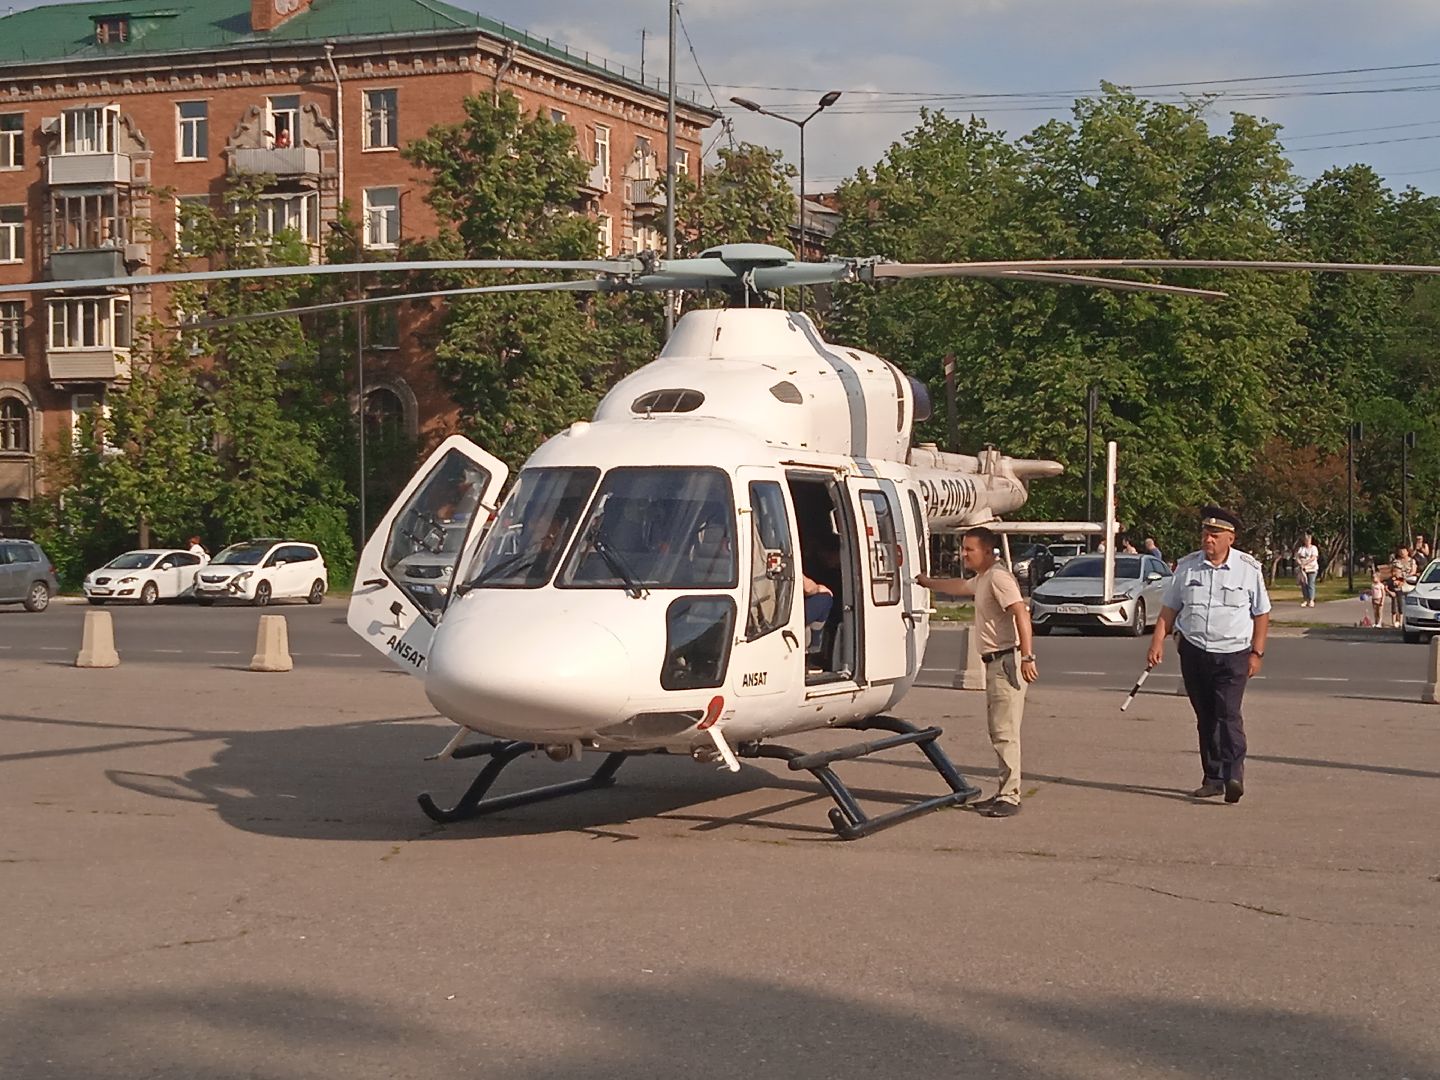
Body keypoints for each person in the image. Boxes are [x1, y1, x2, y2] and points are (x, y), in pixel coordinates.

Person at [1145, 505, 1270, 804]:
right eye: (1205, 533)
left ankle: (1234, 775)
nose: (1208, 539)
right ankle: (1212, 777)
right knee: (1206, 717)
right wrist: (1157, 642)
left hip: (1233, 654)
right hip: (1194, 652)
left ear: (1230, 538)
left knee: (1228, 714)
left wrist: (1257, 652)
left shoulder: (1248, 569)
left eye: (1214, 534)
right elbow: (1170, 609)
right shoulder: (1187, 567)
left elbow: (1261, 613)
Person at [917, 525, 1038, 818]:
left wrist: (1027, 656)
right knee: (998, 729)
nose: (964, 554)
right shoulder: (983, 578)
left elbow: (1021, 611)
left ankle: (1010, 796)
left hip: (1005, 661)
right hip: (993, 662)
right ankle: (1003, 791)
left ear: (987, 551)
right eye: (963, 548)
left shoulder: (998, 578)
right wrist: (925, 582)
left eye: (969, 549)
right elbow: (959, 586)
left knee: (1005, 731)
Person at [1390, 547, 1418, 627]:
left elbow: (1413, 571)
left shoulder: (1412, 561)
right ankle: (1398, 620)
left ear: (1407, 552)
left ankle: (1410, 618)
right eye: (1400, 551)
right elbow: (1395, 572)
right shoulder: (1396, 562)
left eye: (1404, 551)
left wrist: (1405, 577)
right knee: (1399, 602)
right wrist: (1399, 578)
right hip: (1399, 583)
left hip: (1410, 582)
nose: (1402, 553)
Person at [1294, 533, 1320, 608]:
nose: (1307, 541)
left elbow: (1313, 557)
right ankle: (1305, 599)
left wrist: (1305, 562)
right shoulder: (1301, 549)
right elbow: (1297, 557)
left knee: (1310, 584)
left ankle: (1311, 600)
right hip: (1303, 569)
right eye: (1306, 540)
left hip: (1312, 568)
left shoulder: (1314, 548)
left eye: (1309, 540)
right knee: (1304, 584)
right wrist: (1300, 563)